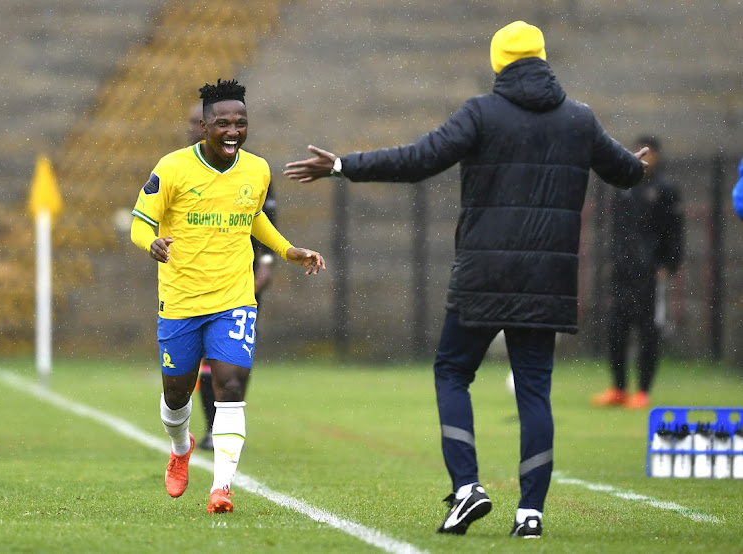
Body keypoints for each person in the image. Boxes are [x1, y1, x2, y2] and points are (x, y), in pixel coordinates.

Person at [284, 21, 647, 538]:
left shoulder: (482, 112)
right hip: (546, 279)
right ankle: (531, 513)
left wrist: (344, 165)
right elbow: (626, 172)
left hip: (484, 272)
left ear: (499, 62)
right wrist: (638, 166)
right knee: (534, 391)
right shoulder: (579, 120)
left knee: (452, 371)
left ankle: (468, 487)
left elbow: (418, 161)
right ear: (543, 59)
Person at [131, 78, 325, 514]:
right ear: (204, 127)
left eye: (241, 123)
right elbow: (140, 222)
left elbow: (254, 219)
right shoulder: (172, 168)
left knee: (231, 385)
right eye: (223, 123)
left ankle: (221, 488)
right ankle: (181, 448)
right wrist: (151, 243)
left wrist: (287, 250)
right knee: (177, 392)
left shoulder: (257, 170)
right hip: (180, 301)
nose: (233, 131)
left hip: (233, 298)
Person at [187, 101, 279, 451]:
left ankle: (221, 422)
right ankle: (209, 424)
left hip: (242, 277)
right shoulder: (179, 168)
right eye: (196, 122)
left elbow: (265, 221)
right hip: (195, 282)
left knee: (232, 354)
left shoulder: (253, 170)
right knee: (199, 357)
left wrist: (266, 264)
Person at [592, 136, 684, 410]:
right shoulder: (624, 185)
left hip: (650, 272)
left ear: (656, 156)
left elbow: (674, 231)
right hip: (623, 270)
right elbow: (618, 228)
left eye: (649, 154)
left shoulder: (665, 189)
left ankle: (642, 390)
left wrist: (667, 264)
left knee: (648, 331)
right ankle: (619, 387)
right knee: (616, 328)